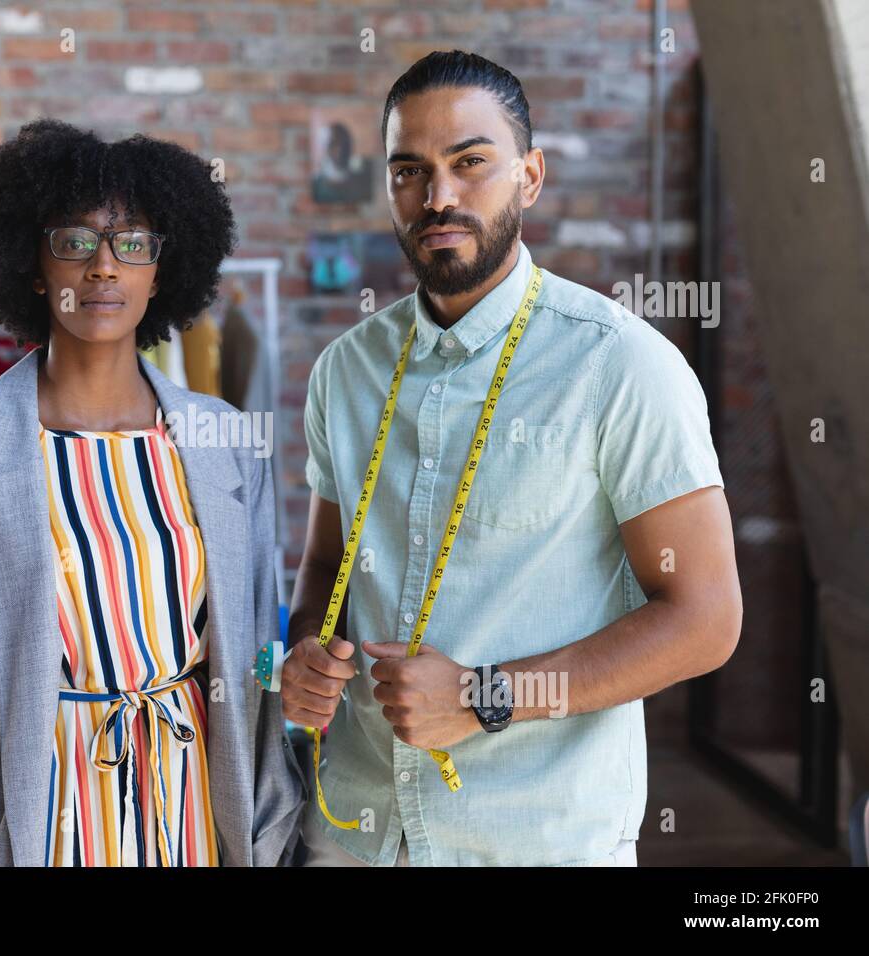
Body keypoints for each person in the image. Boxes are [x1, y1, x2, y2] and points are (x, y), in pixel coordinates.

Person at [283, 50, 742, 866]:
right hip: (354, 832)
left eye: (471, 163)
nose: (439, 197)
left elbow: (705, 620)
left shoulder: (620, 366)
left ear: (530, 176)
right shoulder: (346, 371)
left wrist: (483, 696)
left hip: (533, 841)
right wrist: (306, 658)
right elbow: (326, 566)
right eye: (409, 171)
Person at [0, 118, 305, 866]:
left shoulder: (225, 440)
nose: (104, 266)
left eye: (132, 243)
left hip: (194, 800)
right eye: (75, 241)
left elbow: (254, 644)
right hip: (42, 807)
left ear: (160, 272)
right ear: (34, 266)